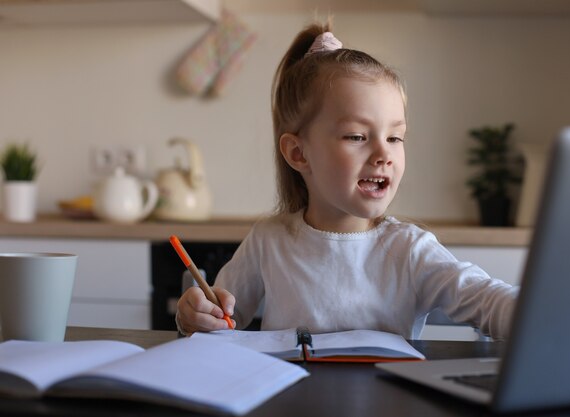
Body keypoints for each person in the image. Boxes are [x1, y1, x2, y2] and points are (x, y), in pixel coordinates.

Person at [176, 23, 518, 340]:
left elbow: (485, 298)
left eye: (396, 138)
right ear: (298, 154)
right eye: (356, 136)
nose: (384, 153)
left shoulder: (410, 250)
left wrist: (542, 314)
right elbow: (219, 320)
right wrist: (195, 317)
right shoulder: (268, 240)